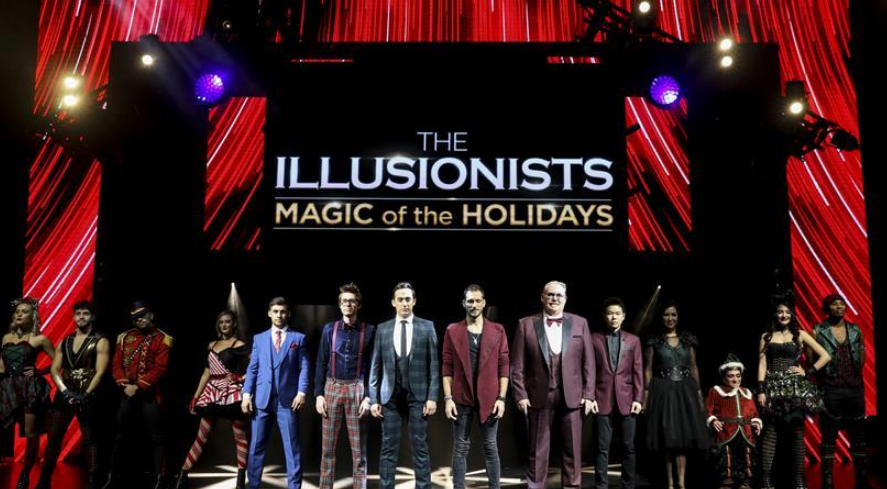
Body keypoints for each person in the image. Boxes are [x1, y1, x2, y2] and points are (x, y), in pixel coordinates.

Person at [511, 281, 595, 489]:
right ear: (542, 297)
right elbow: (517, 365)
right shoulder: (525, 324)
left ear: (565, 299)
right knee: (537, 449)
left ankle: (572, 486)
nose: (554, 299)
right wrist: (521, 394)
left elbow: (589, 362)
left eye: (559, 295)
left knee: (573, 449)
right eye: (550, 295)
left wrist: (589, 394)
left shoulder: (580, 323)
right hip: (538, 395)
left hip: (573, 395)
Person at [757, 291, 830, 489]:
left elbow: (825, 355)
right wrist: (761, 390)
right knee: (770, 434)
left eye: (787, 312)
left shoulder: (800, 334)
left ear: (791, 315)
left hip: (795, 389)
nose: (784, 315)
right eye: (780, 312)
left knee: (798, 434)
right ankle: (766, 481)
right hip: (773, 387)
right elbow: (762, 365)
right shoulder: (766, 336)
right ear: (775, 314)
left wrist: (808, 371)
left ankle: (799, 481)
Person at [369, 282, 439, 489]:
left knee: (420, 447)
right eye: (400, 299)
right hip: (389, 396)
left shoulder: (427, 326)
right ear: (393, 302)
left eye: (408, 299)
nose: (405, 303)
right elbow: (375, 366)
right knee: (388, 448)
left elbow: (434, 365)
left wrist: (432, 397)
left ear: (414, 301)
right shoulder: (383, 329)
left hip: (418, 396)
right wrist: (374, 399)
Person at [442, 285, 509, 489]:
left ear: (484, 303)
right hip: (462, 397)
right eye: (470, 301)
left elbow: (504, 365)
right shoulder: (453, 330)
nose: (474, 304)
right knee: (460, 448)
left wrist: (502, 398)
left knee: (490, 447)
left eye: (478, 300)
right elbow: (447, 366)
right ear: (464, 303)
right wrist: (448, 399)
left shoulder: (497, 330)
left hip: (489, 398)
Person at [38, 300, 110, 489]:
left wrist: (85, 394)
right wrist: (64, 391)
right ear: (73, 317)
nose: (81, 317)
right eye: (78, 313)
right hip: (65, 393)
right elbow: (54, 369)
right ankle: (44, 481)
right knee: (53, 440)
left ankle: (92, 482)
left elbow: (100, 372)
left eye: (85, 313)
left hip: (88, 394)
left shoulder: (100, 341)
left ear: (92, 317)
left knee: (90, 439)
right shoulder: (65, 341)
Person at [176, 310, 250, 489]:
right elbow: (206, 373)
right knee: (200, 438)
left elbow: (256, 366)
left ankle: (240, 481)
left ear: (234, 324)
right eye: (221, 322)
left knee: (240, 438)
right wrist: (195, 397)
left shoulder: (239, 344)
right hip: (211, 393)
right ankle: (182, 477)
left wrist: (240, 378)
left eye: (228, 321)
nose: (224, 324)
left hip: (231, 393)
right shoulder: (212, 344)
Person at [241, 296, 310, 489]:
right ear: (269, 313)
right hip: (262, 400)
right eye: (276, 311)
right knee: (256, 447)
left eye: (282, 311)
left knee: (292, 448)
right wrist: (246, 395)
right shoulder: (259, 338)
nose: (279, 315)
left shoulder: (298, 338)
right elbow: (252, 369)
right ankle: (253, 486)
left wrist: (302, 392)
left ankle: (294, 487)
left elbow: (304, 367)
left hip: (287, 401)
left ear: (288, 314)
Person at [104, 301, 174, 489]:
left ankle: (160, 478)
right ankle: (112, 477)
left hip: (149, 393)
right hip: (127, 390)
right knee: (120, 436)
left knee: (155, 437)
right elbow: (116, 364)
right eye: (135, 318)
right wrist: (124, 384)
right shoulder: (124, 337)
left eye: (142, 316)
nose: (139, 320)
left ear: (151, 315)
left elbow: (160, 368)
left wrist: (138, 386)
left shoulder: (163, 338)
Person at [642, 302, 710, 489]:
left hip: (685, 391)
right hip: (663, 391)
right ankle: (670, 483)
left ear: (678, 317)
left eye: (673, 314)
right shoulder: (654, 341)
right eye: (666, 315)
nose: (670, 318)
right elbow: (648, 369)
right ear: (661, 317)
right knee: (668, 438)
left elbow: (694, 367)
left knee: (683, 438)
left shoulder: (687, 340)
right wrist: (646, 394)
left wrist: (698, 392)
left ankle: (681, 483)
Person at [315, 283, 376, 489]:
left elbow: (374, 367)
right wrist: (319, 395)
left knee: (359, 452)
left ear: (358, 305)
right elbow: (321, 362)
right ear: (340, 304)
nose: (348, 304)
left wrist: (369, 397)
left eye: (352, 301)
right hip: (331, 388)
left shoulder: (369, 331)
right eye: (344, 301)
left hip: (356, 390)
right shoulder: (329, 329)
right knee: (327, 450)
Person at [812, 293, 871, 489]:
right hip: (831, 388)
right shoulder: (818, 331)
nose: (839, 307)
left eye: (842, 303)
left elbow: (861, 355)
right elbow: (812, 359)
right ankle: (827, 482)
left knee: (858, 435)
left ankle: (861, 481)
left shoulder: (855, 330)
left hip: (854, 388)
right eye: (834, 304)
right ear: (827, 309)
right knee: (829, 435)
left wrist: (852, 377)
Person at [0, 297, 55, 489]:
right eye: (17, 311)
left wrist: (39, 371)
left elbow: (59, 362)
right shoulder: (6, 338)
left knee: (31, 433)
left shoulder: (40, 339)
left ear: (33, 316)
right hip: (8, 387)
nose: (19, 314)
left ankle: (25, 474)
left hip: (29, 387)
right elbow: (1, 366)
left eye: (24, 311)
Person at [591, 296, 643, 489]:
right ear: (604, 316)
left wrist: (638, 398)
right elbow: (589, 370)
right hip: (601, 399)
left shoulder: (633, 340)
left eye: (617, 313)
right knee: (601, 448)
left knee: (629, 447)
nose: (613, 317)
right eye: (610, 313)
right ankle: (601, 486)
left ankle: (628, 485)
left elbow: (638, 371)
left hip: (627, 400)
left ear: (623, 316)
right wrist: (590, 396)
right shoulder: (593, 339)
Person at [705, 353, 762, 489]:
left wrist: (756, 422)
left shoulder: (746, 392)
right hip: (726, 431)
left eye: (738, 375)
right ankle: (726, 483)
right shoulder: (716, 391)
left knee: (745, 456)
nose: (736, 379)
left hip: (745, 431)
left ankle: (745, 482)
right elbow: (707, 410)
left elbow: (753, 412)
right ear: (723, 377)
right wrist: (712, 420)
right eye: (731, 376)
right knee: (726, 456)